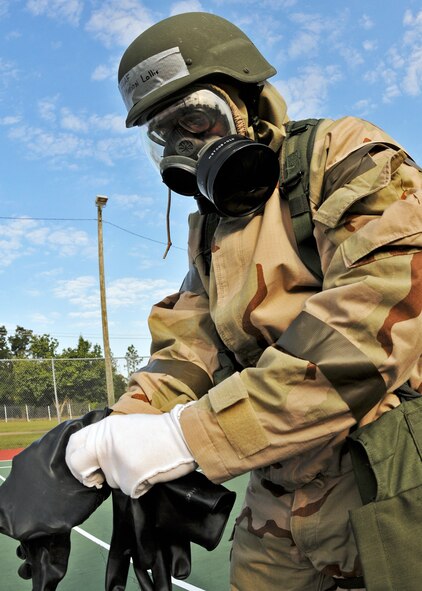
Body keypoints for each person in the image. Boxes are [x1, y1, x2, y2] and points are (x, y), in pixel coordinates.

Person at [65, 12, 422, 591]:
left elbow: (378, 318)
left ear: (249, 103)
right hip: (276, 494)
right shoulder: (211, 233)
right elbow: (186, 352)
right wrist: (110, 438)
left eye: (196, 119)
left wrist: (186, 438)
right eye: (164, 134)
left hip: (381, 473)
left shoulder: (343, 154)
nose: (183, 146)